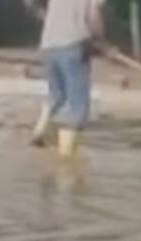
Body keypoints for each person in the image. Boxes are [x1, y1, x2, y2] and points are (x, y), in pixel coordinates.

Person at [26, 0, 106, 158]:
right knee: (77, 106)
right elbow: (93, 16)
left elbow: (30, 2)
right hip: (73, 44)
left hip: (48, 45)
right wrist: (100, 40)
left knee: (57, 96)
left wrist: (49, 20)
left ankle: (40, 132)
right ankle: (66, 160)